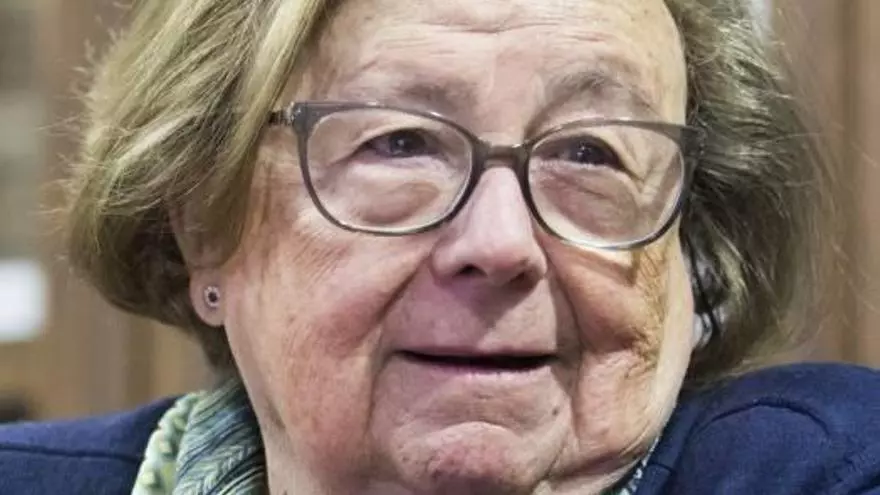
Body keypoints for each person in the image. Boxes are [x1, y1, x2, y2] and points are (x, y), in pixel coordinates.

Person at [2, 0, 879, 493]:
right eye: (401, 143)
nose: (501, 243)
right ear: (203, 225)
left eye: (590, 153)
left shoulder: (824, 468)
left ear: (693, 246)